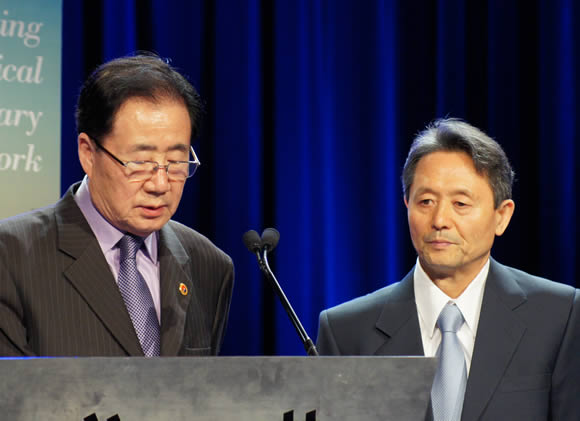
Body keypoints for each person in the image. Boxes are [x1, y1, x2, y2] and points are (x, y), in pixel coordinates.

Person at [317, 118, 579, 420]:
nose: (440, 220)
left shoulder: (559, 316)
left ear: (501, 216)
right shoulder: (346, 331)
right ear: (407, 205)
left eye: (460, 204)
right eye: (426, 201)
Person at [0, 54, 234, 357]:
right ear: (88, 153)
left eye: (176, 162)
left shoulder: (209, 265)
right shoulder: (11, 256)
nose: (160, 184)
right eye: (140, 162)